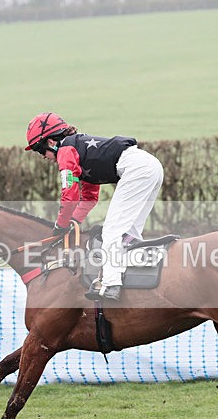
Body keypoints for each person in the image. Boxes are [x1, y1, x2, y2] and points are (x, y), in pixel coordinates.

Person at [25, 112, 164, 301]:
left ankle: (110, 285)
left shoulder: (65, 151)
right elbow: (90, 197)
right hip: (151, 166)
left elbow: (69, 194)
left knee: (112, 232)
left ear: (50, 142)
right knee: (130, 234)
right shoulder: (79, 151)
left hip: (138, 169)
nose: (43, 157)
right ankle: (135, 281)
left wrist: (61, 225)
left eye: (40, 151)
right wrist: (73, 221)